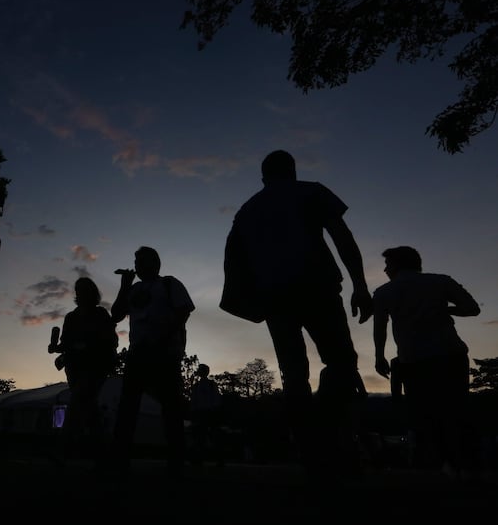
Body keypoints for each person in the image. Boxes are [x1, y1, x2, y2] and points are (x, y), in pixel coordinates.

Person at [220, 149, 373, 478]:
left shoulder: (247, 210)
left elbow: (234, 261)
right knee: (342, 362)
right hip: (316, 286)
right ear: (292, 170)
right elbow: (342, 237)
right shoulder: (311, 191)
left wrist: (246, 302)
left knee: (294, 373)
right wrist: (360, 285)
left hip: (275, 297)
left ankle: (311, 450)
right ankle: (328, 434)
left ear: (263, 177)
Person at [373, 245, 481, 477]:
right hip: (450, 354)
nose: (384, 270)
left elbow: (379, 328)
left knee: (424, 416)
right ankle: (466, 467)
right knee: (457, 411)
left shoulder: (383, 292)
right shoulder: (441, 282)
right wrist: (447, 311)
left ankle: (432, 468)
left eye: (387, 265)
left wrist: (379, 356)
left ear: (395, 265)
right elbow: (472, 309)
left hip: (414, 360)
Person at [109, 246, 195, 479]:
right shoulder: (134, 288)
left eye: (142, 261)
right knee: (128, 406)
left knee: (171, 407)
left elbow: (183, 312)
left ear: (155, 263)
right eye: (136, 261)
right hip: (138, 352)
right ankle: (120, 459)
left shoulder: (169, 283)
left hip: (165, 352)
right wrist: (125, 285)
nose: (137, 266)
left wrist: (163, 338)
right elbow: (116, 315)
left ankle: (176, 461)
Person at [48, 277, 118, 465]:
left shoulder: (101, 315)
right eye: (78, 290)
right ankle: (103, 453)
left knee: (78, 401)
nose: (81, 293)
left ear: (92, 293)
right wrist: (57, 349)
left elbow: (111, 340)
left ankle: (63, 448)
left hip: (95, 367)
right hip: (75, 369)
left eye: (84, 290)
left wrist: (88, 347)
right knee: (89, 407)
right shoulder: (71, 317)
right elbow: (66, 343)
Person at [189, 363, 225, 467]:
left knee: (212, 436)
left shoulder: (211, 384)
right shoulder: (197, 385)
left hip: (210, 413)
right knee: (200, 437)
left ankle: (219, 459)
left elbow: (216, 399)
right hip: (201, 413)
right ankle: (199, 459)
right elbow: (194, 401)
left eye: (202, 370)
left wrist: (214, 411)